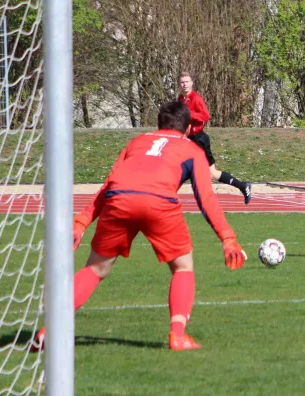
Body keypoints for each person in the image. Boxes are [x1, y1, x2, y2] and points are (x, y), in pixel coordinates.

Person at [31, 101, 248, 352]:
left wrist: (81, 222)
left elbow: (108, 184)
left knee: (96, 268)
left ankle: (49, 332)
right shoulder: (192, 150)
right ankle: (177, 335)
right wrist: (228, 238)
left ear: (158, 124)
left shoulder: (136, 142)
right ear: (188, 128)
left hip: (118, 200)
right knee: (182, 266)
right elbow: (206, 198)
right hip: (159, 203)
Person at [177, 71, 252, 204]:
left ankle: (243, 187)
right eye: (182, 82)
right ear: (179, 84)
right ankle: (165, 196)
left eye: (187, 81)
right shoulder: (181, 99)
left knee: (212, 173)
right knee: (181, 166)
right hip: (188, 140)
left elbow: (205, 116)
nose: (185, 84)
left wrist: (191, 114)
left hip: (199, 139)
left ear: (192, 83)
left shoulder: (196, 98)